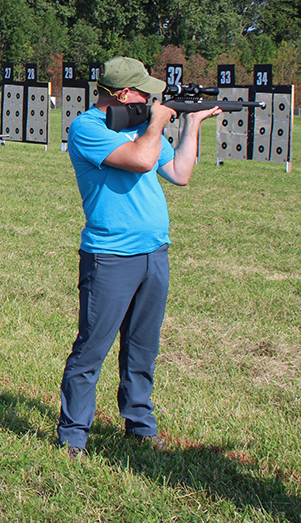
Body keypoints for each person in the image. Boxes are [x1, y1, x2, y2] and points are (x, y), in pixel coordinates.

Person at [56, 57, 218, 459]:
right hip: (109, 256)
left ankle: (140, 424)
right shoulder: (88, 128)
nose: (153, 98)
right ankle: (73, 435)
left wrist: (192, 124)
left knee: (143, 347)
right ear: (125, 94)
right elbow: (142, 160)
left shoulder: (139, 128)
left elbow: (180, 173)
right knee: (92, 348)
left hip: (154, 254)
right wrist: (158, 122)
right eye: (146, 93)